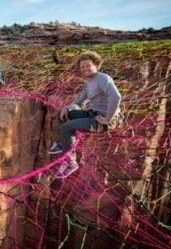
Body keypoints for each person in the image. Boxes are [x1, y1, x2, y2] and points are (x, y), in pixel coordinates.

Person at [48, 49, 122, 179]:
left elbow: (116, 97)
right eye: (82, 66)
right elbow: (79, 102)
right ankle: (64, 142)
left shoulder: (103, 78)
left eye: (88, 65)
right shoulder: (88, 84)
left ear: (96, 65)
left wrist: (108, 119)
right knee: (62, 113)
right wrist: (67, 107)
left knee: (66, 127)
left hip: (103, 120)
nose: (85, 68)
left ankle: (70, 163)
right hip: (93, 114)